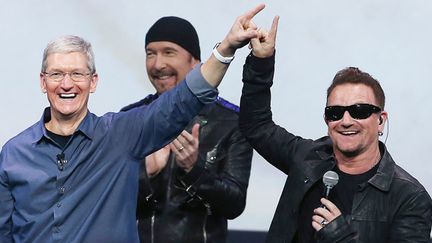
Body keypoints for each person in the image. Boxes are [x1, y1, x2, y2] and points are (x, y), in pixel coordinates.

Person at [0, 4, 267, 242]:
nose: (67, 84)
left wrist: (226, 48)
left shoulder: (122, 133)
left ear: (93, 82)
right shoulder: (13, 153)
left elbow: (186, 98)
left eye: (77, 74)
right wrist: (146, 171)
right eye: (57, 74)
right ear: (42, 81)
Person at [239, 17, 432, 242]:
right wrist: (261, 62)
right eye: (335, 112)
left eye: (359, 110)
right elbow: (257, 126)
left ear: (380, 121)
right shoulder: (308, 158)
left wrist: (341, 237)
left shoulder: (409, 197)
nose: (346, 120)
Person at [121, 16, 253, 243]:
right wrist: (145, 172)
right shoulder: (129, 118)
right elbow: (109, 199)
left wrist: (194, 169)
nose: (157, 64)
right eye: (150, 53)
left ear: (195, 62)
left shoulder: (231, 121)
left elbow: (234, 204)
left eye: (168, 52)